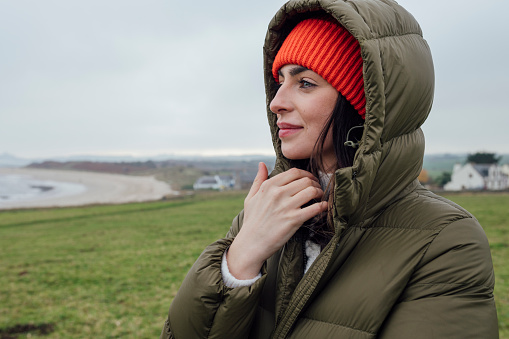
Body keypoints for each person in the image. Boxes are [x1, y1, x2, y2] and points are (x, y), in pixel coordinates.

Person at [161, 0, 499, 338]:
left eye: (305, 82)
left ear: (366, 102)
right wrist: (241, 257)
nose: (276, 101)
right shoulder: (265, 212)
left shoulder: (446, 240)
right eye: (279, 81)